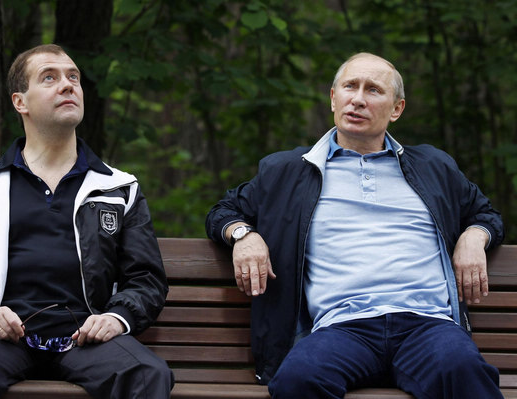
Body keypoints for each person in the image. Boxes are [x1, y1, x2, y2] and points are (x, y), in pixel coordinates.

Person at [205, 52, 504, 398]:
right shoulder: (287, 171)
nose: (358, 99)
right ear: (334, 98)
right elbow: (223, 211)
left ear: (396, 109)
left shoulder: (433, 167)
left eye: (374, 90)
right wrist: (244, 234)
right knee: (297, 380)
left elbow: (486, 214)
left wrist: (473, 236)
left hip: (427, 327)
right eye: (350, 86)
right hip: (341, 329)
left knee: (464, 370)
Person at [0, 44, 173, 399]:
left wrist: (117, 318)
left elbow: (146, 280)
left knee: (148, 374)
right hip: (1, 337)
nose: (68, 85)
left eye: (73, 76)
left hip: (85, 341)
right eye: (49, 77)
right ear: (20, 102)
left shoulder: (117, 188)